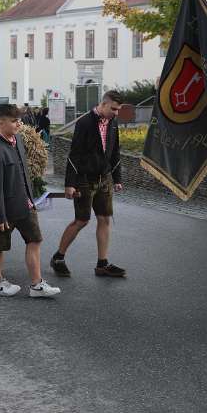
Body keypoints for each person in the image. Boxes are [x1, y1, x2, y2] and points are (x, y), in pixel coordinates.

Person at [0, 104, 59, 297]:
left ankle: (36, 285)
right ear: (1, 122)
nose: (19, 124)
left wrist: (31, 199)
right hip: (6, 210)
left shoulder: (17, 139)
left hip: (26, 205)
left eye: (19, 120)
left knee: (34, 240)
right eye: (14, 120)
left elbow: (23, 173)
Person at [52, 90, 126, 278]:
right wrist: (70, 184)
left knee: (104, 218)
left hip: (105, 178)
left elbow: (115, 151)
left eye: (118, 110)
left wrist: (117, 178)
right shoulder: (84, 123)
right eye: (114, 109)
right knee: (82, 221)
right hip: (84, 179)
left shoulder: (113, 123)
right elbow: (74, 154)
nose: (116, 113)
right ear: (103, 104)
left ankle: (102, 264)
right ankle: (58, 257)